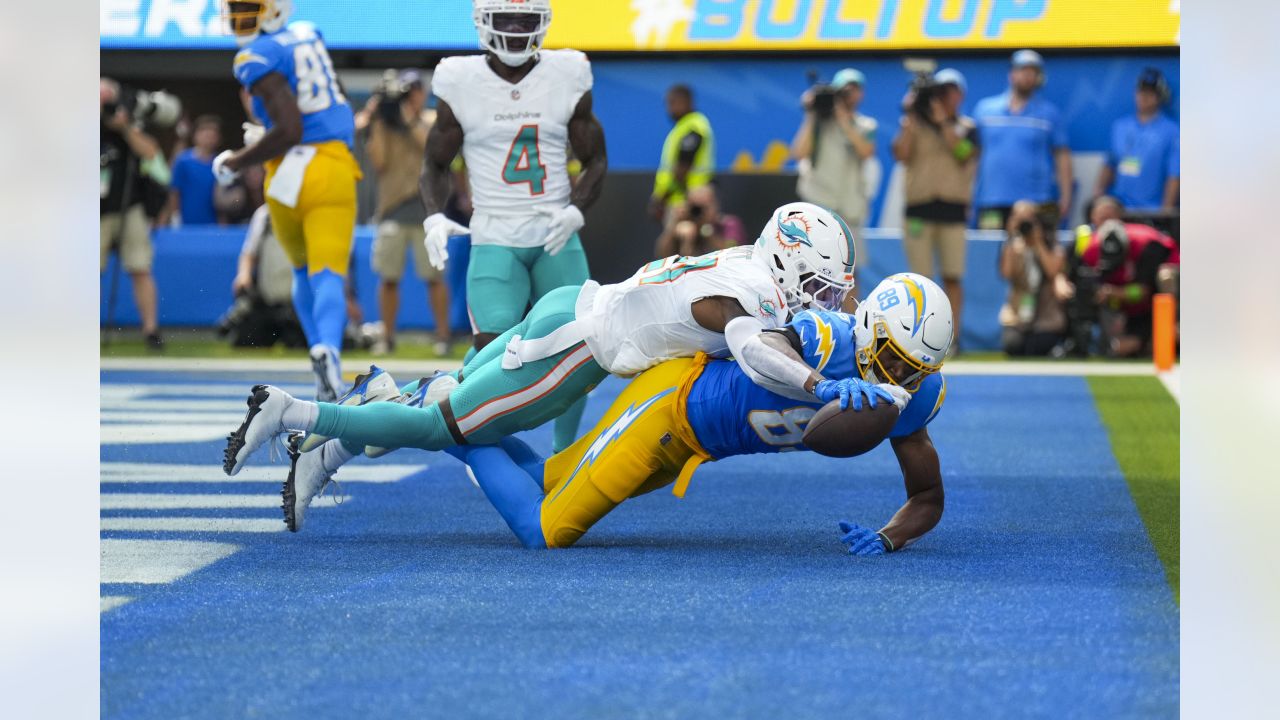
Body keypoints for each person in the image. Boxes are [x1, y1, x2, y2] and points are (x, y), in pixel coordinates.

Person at [220, 204, 860, 532]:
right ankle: (293, 412)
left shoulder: (750, 259)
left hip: (570, 306)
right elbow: (754, 349)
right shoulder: (754, 295)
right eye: (822, 287)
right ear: (787, 263)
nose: (828, 302)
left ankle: (339, 438)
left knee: (450, 402)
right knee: (450, 426)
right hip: (573, 351)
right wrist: (821, 383)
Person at [389, 273, 949, 552]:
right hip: (671, 403)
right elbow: (767, 346)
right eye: (894, 361)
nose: (898, 378)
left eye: (911, 370)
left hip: (693, 444)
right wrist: (823, 385)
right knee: (545, 529)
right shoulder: (822, 336)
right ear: (870, 324)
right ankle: (446, 416)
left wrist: (890, 536)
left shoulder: (911, 394)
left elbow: (926, 495)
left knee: (543, 478)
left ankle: (447, 411)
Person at [418, 0, 608, 452]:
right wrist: (433, 215)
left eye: (526, 20)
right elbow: (435, 162)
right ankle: (467, 434)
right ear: (484, 23)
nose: (517, 30)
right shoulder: (460, 80)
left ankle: (565, 454)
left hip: (555, 232)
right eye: (506, 20)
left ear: (543, 22)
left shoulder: (567, 72)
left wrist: (577, 208)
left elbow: (595, 158)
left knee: (582, 346)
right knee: (492, 352)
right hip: (494, 233)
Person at [214, 0, 361, 402]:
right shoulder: (309, 33)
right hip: (329, 167)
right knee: (328, 271)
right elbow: (325, 105)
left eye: (249, 7)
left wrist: (234, 161)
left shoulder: (255, 55)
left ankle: (319, 356)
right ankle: (327, 349)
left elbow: (289, 129)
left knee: (301, 269)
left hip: (284, 175)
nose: (240, 15)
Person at [364, 70, 452, 357]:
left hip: (427, 209)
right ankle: (387, 337)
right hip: (392, 208)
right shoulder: (385, 124)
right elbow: (379, 162)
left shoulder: (429, 119)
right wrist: (379, 119)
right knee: (389, 277)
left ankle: (443, 336)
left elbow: (432, 149)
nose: (411, 95)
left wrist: (408, 119)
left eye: (415, 90)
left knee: (434, 277)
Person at [892, 68, 978, 353]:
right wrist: (910, 118)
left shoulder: (968, 127)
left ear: (960, 95)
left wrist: (943, 123)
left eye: (949, 91)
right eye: (938, 91)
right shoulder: (915, 124)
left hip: (952, 211)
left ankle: (951, 339)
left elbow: (964, 154)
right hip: (919, 210)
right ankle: (920, 337)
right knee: (920, 281)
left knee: (953, 276)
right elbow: (900, 155)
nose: (943, 97)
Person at [791, 68, 877, 289]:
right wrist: (812, 114)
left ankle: (852, 321)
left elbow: (866, 151)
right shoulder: (819, 124)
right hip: (819, 203)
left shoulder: (866, 125)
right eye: (844, 91)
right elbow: (799, 152)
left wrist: (843, 119)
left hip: (849, 206)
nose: (849, 95)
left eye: (854, 90)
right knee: (813, 266)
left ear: (862, 94)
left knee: (850, 270)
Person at [100, 77, 169, 350]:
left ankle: (151, 330)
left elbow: (152, 154)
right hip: (94, 209)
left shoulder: (128, 125)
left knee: (140, 267)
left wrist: (124, 127)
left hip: (130, 207)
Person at [1064, 197, 1179, 357]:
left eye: (1110, 217)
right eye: (1102, 218)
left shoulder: (1147, 243)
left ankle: (1168, 334)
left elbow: (1143, 291)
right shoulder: (1089, 247)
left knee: (1166, 277)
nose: (1106, 222)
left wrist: (1114, 292)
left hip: (1158, 296)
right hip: (1122, 308)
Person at [973, 50, 1073, 233]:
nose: (1027, 76)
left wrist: (1066, 196)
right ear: (1012, 74)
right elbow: (973, 156)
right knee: (988, 256)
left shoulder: (1049, 114)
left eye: (1032, 72)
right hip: (991, 200)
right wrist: (966, 196)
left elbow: (1062, 157)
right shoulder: (984, 110)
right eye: (1023, 71)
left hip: (1035, 203)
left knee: (1033, 256)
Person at [1091, 68, 1179, 212]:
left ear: (1160, 96)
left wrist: (1166, 212)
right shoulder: (1120, 126)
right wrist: (1097, 196)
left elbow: (1174, 175)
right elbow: (1109, 164)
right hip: (1119, 209)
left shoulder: (1171, 131)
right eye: (1141, 91)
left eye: (1150, 92)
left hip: (1152, 211)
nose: (1144, 96)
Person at [220, 204, 306, 348]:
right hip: (267, 304)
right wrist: (244, 274)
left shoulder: (309, 212)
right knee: (245, 340)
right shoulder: (264, 215)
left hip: (299, 307)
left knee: (303, 343)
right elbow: (249, 253)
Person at [998, 200, 1067, 356]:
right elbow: (1006, 274)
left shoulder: (1052, 246)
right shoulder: (1012, 248)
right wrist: (1010, 237)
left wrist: (1038, 243)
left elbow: (1052, 271)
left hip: (1046, 317)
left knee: (1038, 345)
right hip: (1017, 316)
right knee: (1013, 345)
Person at [649, 84, 716, 222]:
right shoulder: (684, 127)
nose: (669, 109)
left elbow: (682, 168)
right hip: (681, 199)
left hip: (687, 201)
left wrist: (662, 198)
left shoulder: (693, 127)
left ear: (687, 102)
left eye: (673, 103)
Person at [653, 183, 745, 258]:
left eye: (704, 207)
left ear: (715, 205)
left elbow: (733, 252)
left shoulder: (729, 224)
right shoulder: (684, 225)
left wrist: (706, 229)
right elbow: (662, 254)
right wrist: (674, 226)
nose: (699, 212)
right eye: (695, 207)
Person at [163, 115, 222, 226]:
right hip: (186, 222)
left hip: (213, 224)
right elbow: (174, 191)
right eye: (204, 132)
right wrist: (175, 216)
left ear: (218, 138)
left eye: (212, 133)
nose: (208, 136)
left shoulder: (221, 162)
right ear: (195, 135)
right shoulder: (182, 161)